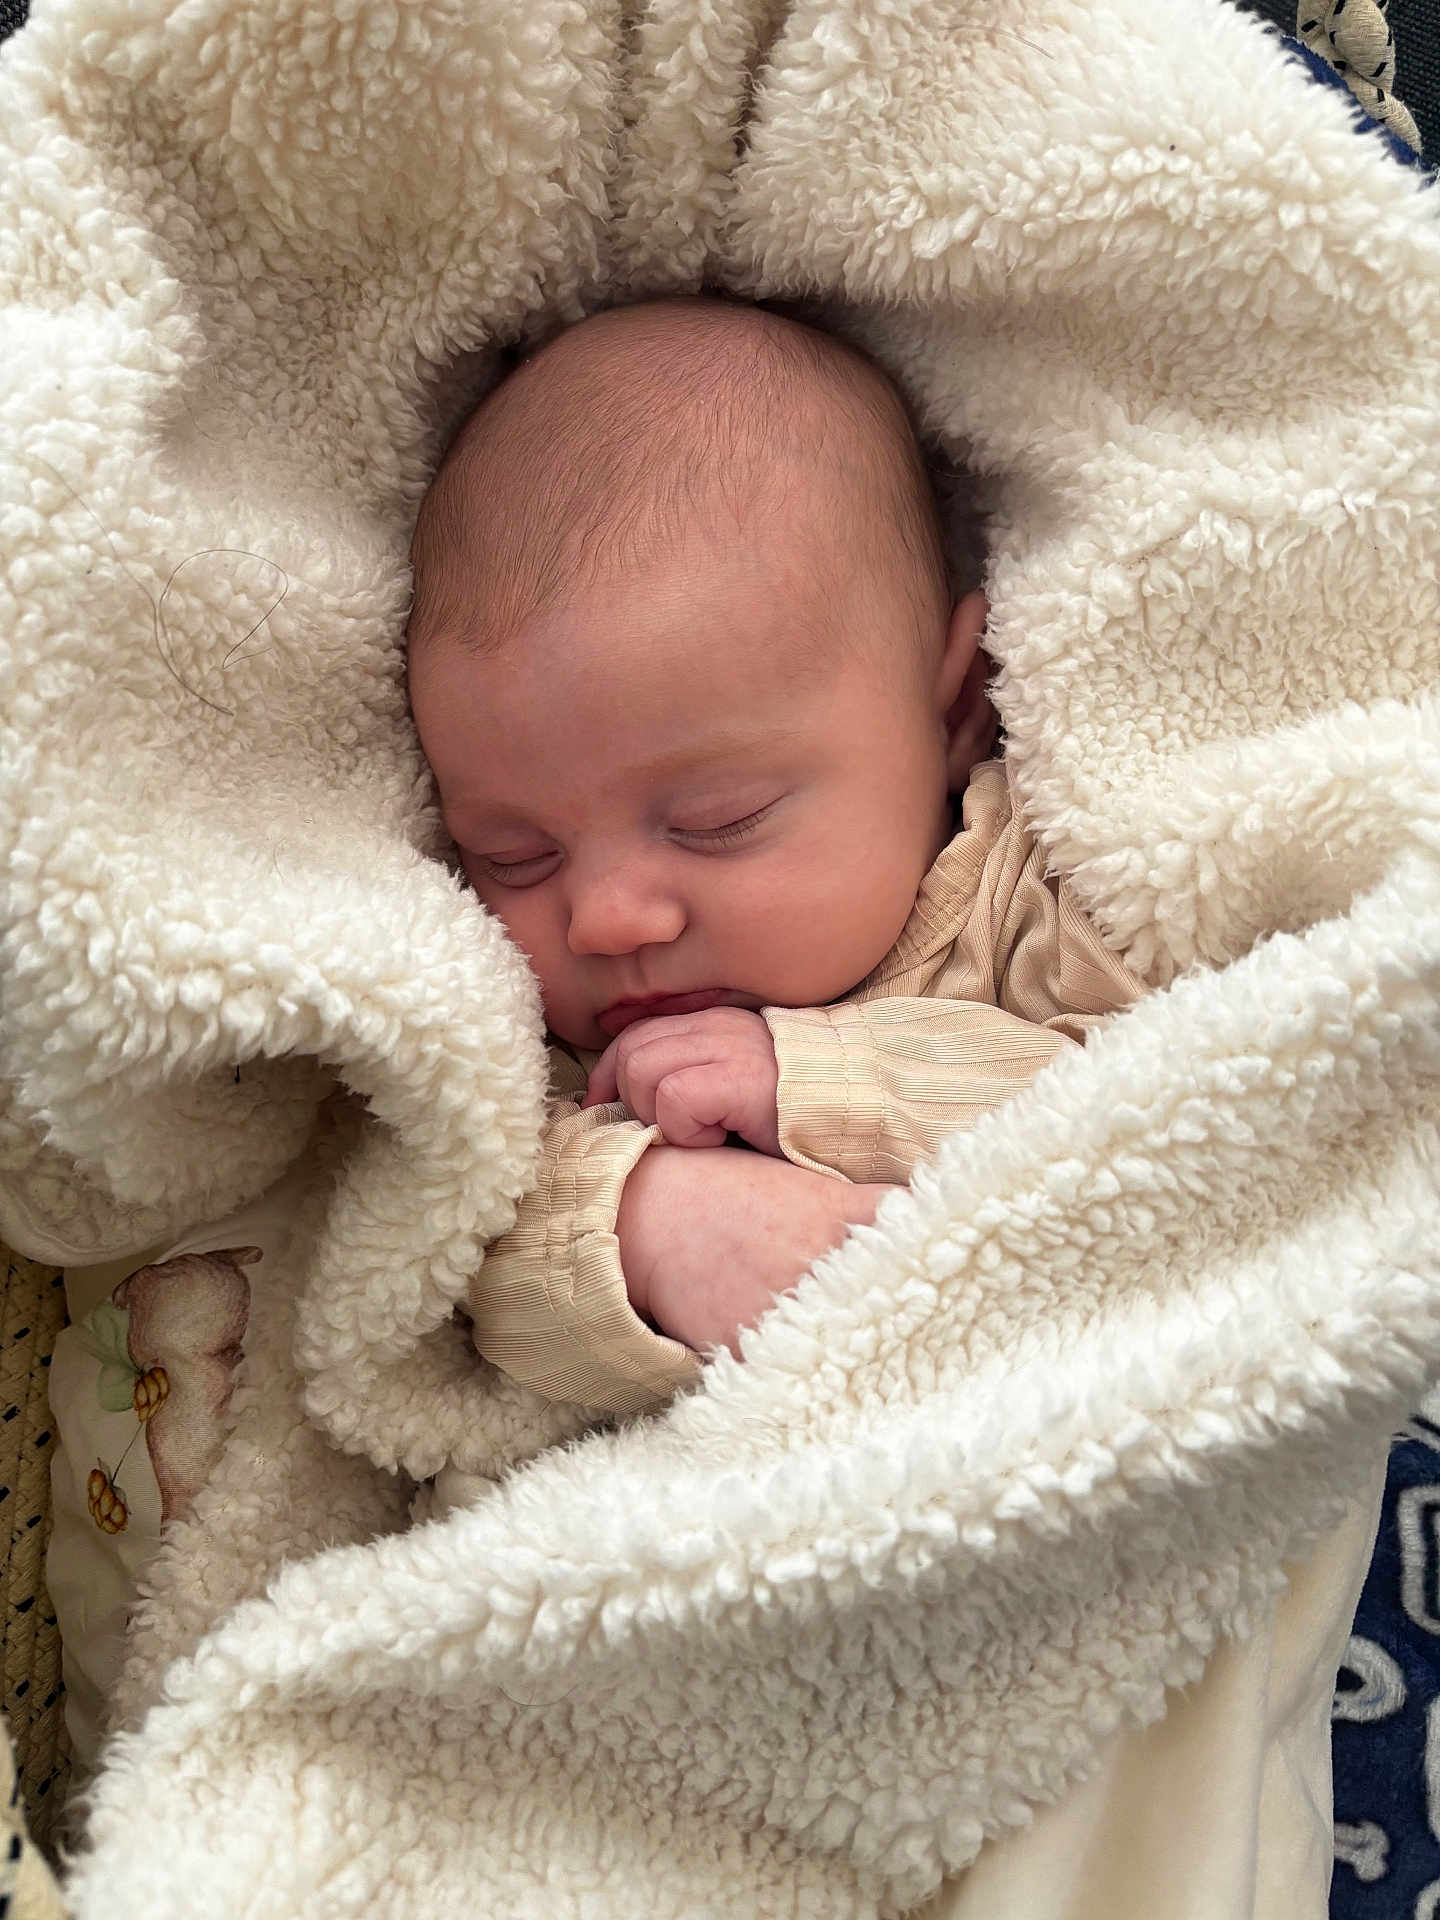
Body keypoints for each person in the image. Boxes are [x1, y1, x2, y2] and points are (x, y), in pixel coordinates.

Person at [406, 295, 1144, 1415]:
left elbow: (1168, 1119)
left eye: (716, 820)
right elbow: (463, 1265)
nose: (606, 919)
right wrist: (651, 1226)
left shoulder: (1034, 903)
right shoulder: (542, 1059)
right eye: (514, 856)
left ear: (950, 716)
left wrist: (816, 1081)